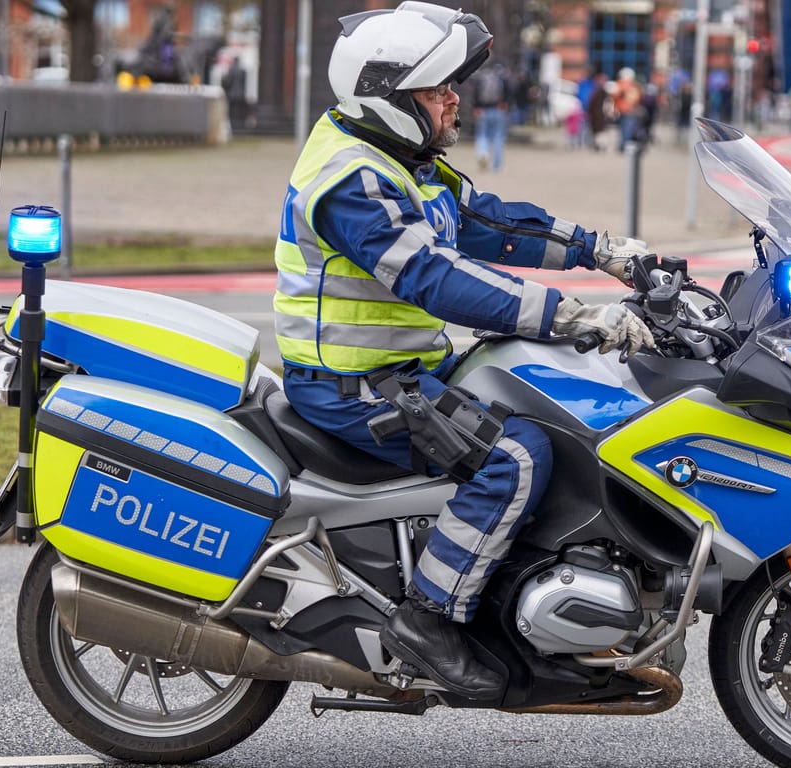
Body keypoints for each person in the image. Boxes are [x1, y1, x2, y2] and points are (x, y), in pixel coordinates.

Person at [272, 1, 656, 701]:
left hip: (401, 370)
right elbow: (433, 277)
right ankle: (428, 620)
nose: (455, 97)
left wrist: (602, 252)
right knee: (514, 457)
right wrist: (571, 315)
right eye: (436, 87)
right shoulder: (352, 180)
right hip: (351, 385)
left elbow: (482, 225)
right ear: (388, 100)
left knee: (559, 404)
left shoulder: (400, 162)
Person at [471, 62, 509, 171]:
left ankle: (483, 153)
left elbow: (476, 93)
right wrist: (505, 103)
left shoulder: (481, 77)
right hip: (498, 109)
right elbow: (508, 91)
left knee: (482, 135)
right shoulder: (501, 77)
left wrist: (476, 107)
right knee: (498, 137)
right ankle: (496, 165)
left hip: (483, 110)